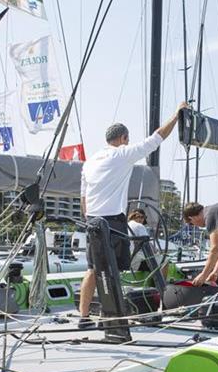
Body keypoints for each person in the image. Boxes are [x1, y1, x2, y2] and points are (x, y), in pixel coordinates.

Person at [78, 101, 189, 328]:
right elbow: (156, 138)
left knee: (92, 269)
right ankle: (115, 318)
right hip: (112, 221)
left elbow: (83, 198)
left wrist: (88, 220)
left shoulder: (89, 162)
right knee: (114, 270)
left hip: (92, 220)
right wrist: (176, 115)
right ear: (123, 138)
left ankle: (84, 316)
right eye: (127, 139)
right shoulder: (121, 154)